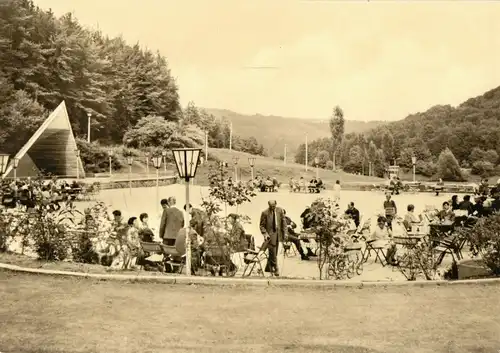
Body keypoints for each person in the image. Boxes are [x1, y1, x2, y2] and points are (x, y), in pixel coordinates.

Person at [259, 200, 287, 276]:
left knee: (274, 253)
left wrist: (285, 233)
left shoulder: (280, 210)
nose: (272, 207)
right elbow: (261, 226)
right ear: (268, 205)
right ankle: (276, 268)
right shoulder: (265, 213)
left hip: (278, 235)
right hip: (270, 237)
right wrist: (265, 233)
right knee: (273, 253)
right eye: (271, 206)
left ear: (276, 204)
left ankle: (268, 267)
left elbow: (284, 223)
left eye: (274, 206)